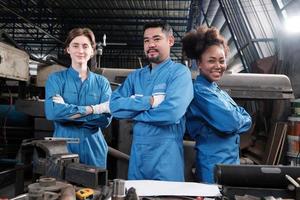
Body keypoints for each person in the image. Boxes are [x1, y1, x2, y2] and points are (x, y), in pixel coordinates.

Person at [109, 21, 193, 181]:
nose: (151, 44)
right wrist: (150, 101)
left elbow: (172, 113)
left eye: (156, 39)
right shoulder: (135, 76)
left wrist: (135, 113)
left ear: (170, 41)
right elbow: (114, 106)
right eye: (146, 40)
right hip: (138, 157)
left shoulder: (179, 73)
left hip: (166, 156)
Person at [182, 26, 252, 183]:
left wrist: (239, 118)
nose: (218, 66)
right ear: (199, 63)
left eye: (222, 60)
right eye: (211, 60)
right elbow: (231, 122)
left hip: (230, 162)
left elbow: (247, 119)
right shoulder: (200, 92)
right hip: (212, 166)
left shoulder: (217, 90)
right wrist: (240, 118)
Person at [45, 27, 112, 168]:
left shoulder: (102, 83)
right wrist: (92, 109)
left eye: (85, 46)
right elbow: (53, 113)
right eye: (75, 45)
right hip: (62, 147)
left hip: (93, 148)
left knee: (95, 189)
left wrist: (67, 112)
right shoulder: (56, 80)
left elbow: (105, 119)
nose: (80, 51)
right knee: (61, 188)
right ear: (68, 49)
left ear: (92, 51)